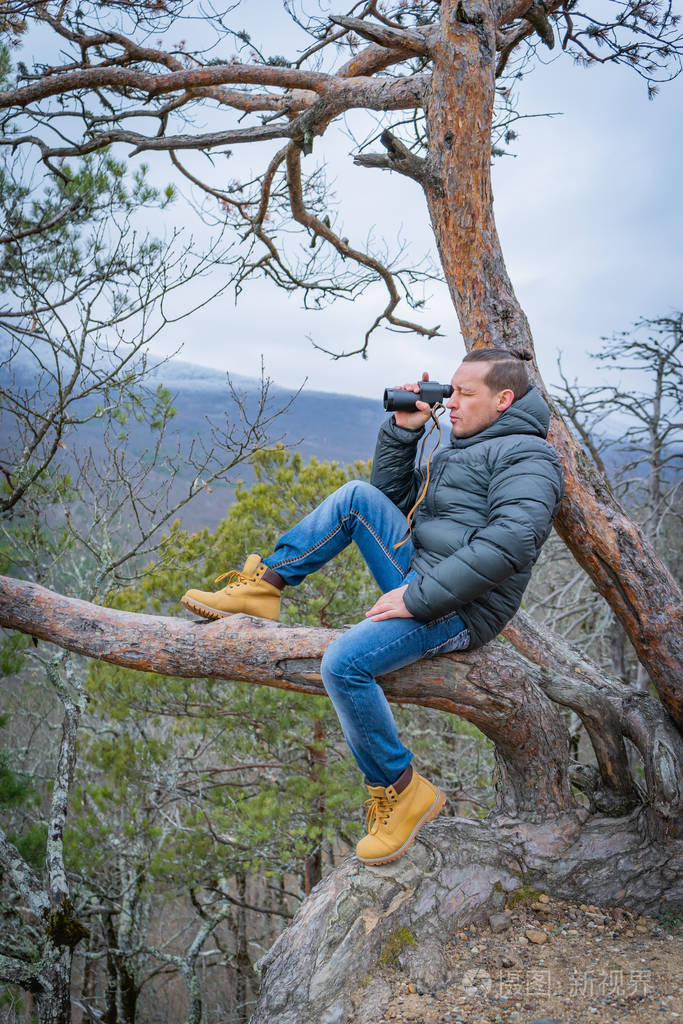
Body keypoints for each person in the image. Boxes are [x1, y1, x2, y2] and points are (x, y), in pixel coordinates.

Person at [181, 349, 564, 866]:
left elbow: (510, 544)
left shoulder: (530, 457)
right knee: (357, 497)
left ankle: (402, 789)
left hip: (459, 608)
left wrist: (415, 599)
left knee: (343, 663)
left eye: (464, 394)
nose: (451, 403)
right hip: (422, 577)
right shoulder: (463, 443)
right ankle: (264, 587)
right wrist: (405, 433)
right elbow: (390, 501)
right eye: (450, 392)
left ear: (504, 399)